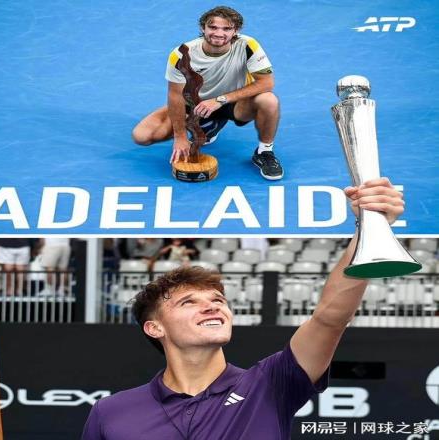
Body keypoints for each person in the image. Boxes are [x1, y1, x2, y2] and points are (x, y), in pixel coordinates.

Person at [81, 177, 404, 440]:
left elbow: (330, 319)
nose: (211, 307)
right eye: (189, 302)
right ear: (155, 328)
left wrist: (369, 227)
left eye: (217, 301)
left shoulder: (271, 384)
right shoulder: (110, 412)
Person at [132, 6, 283, 180]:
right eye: (213, 27)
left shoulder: (248, 45)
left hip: (233, 103)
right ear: (203, 28)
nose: (219, 33)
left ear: (236, 31)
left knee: (269, 100)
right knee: (142, 136)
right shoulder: (182, 54)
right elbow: (175, 95)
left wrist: (220, 100)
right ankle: (210, 125)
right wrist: (180, 136)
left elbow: (267, 83)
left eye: (226, 28)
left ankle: (264, 152)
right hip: (194, 104)